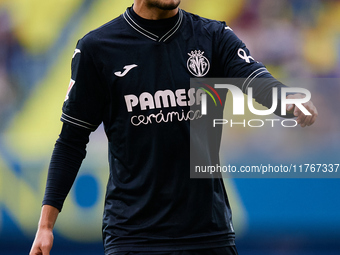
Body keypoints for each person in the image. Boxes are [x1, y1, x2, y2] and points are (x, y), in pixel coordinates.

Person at [29, 0, 318, 254]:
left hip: (208, 234)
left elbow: (255, 78)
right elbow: (71, 141)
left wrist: (287, 98)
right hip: (134, 236)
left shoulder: (213, 37)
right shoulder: (98, 48)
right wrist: (46, 225)